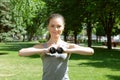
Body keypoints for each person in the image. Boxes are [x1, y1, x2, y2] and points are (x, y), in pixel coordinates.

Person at [19, 13, 94, 80]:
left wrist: (67, 50)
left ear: (63, 27)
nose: (55, 29)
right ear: (48, 27)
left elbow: (90, 51)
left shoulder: (67, 46)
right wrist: (44, 50)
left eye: (59, 26)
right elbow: (21, 52)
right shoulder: (43, 46)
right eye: (52, 26)